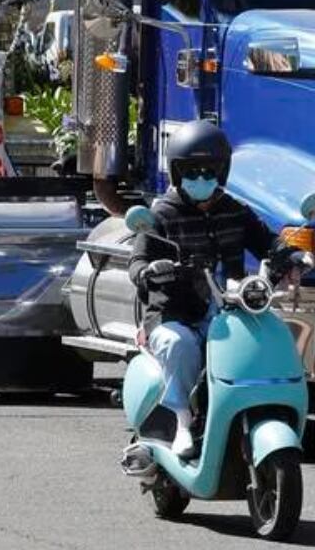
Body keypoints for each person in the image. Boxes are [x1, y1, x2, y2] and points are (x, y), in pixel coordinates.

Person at [128, 119, 299, 458]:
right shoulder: (161, 215)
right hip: (174, 314)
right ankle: (181, 421)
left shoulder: (234, 210)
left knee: (266, 337)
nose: (202, 178)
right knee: (180, 345)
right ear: (177, 173)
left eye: (210, 170)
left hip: (228, 310)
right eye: (192, 171)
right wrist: (151, 270)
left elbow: (267, 241)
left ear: (223, 171)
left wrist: (292, 256)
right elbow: (137, 264)